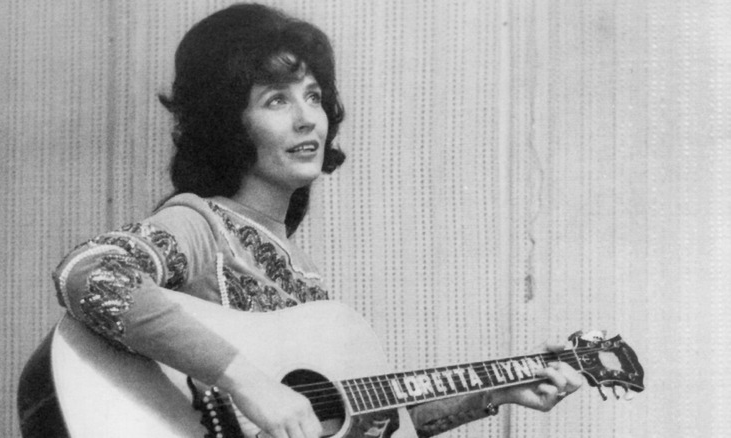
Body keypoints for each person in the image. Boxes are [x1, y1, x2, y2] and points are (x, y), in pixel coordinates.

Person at [50, 3, 583, 438]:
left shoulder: (304, 278)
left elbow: (362, 416)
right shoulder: (200, 225)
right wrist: (246, 381)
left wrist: (497, 388)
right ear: (227, 121)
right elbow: (89, 272)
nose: (308, 117)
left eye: (314, 96)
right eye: (276, 99)